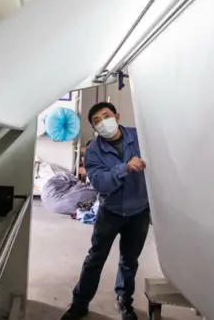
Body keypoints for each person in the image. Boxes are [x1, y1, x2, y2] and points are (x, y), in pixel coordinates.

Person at [62, 102, 149, 320]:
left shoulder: (139, 137)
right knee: (95, 258)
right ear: (94, 127)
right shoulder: (93, 151)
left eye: (105, 116)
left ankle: (124, 301)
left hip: (139, 211)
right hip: (110, 212)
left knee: (129, 261)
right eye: (97, 121)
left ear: (117, 117)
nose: (103, 123)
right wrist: (124, 167)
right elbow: (101, 184)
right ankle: (80, 303)